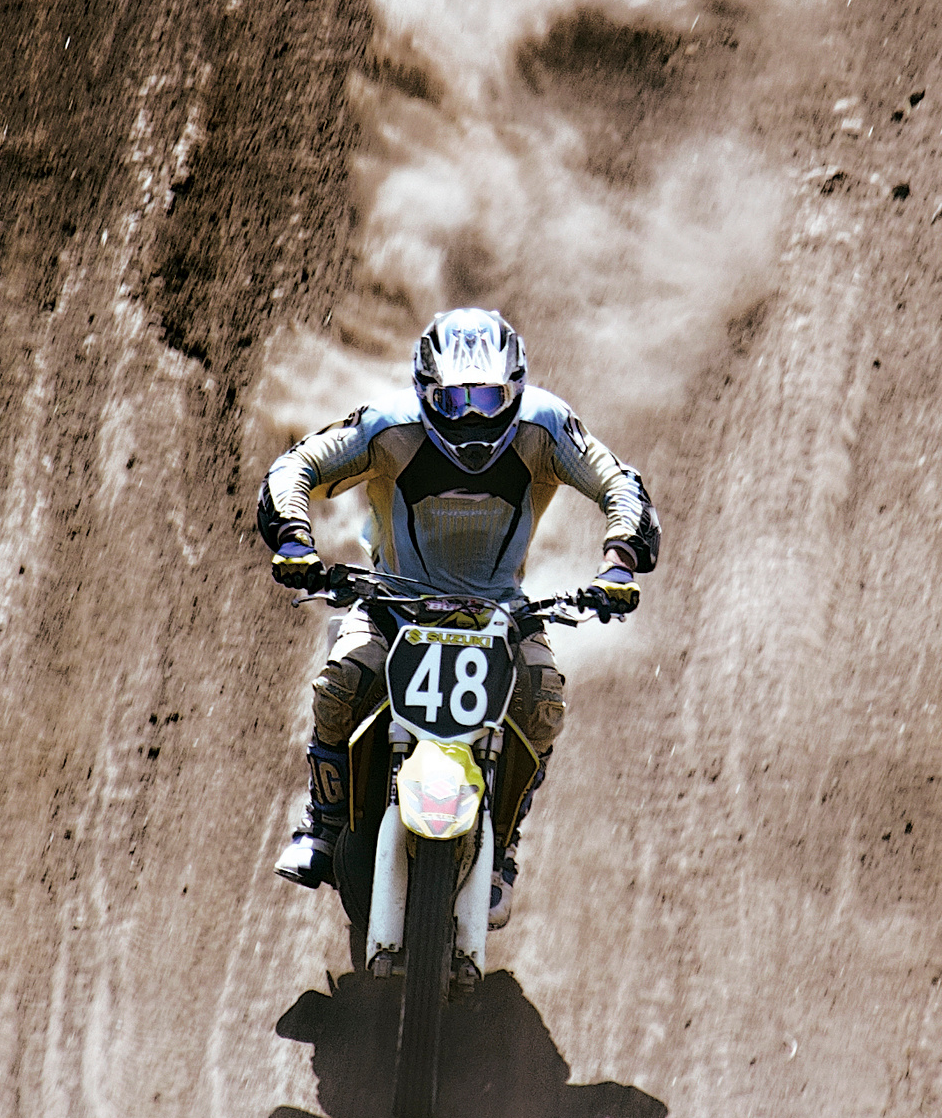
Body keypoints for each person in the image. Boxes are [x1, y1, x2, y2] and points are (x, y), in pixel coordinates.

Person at [258, 306, 659, 917]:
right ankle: (324, 821)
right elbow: (299, 465)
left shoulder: (545, 428)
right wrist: (293, 538)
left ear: (515, 389)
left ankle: (502, 846)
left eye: (488, 396)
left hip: (501, 613)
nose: (472, 416)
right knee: (341, 684)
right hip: (394, 601)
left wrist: (620, 559)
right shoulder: (387, 427)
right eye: (455, 398)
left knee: (543, 702)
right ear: (425, 391)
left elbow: (619, 483)